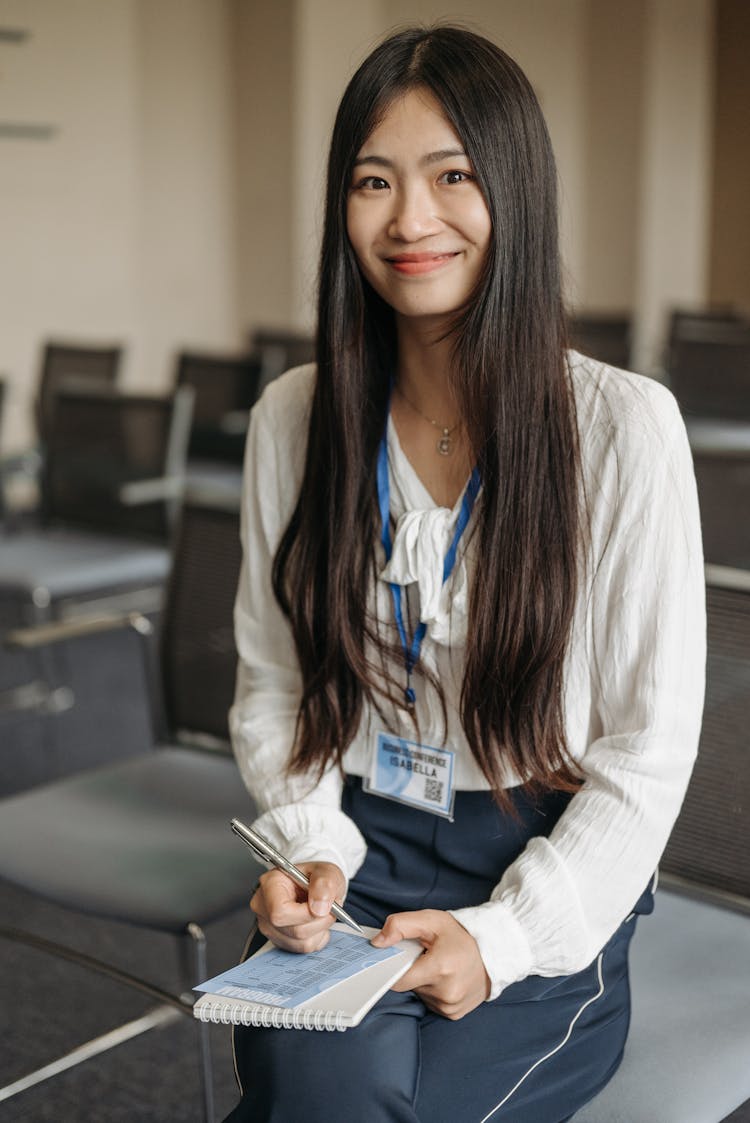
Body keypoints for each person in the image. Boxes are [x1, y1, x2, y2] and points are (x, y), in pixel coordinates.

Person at [225, 24, 705, 1123]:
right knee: (314, 1078)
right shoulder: (293, 418)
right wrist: (308, 849)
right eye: (372, 181)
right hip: (361, 844)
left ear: (516, 194)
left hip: (545, 870)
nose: (410, 220)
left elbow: (648, 751)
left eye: (453, 177)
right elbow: (272, 685)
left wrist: (502, 940)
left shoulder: (625, 429)